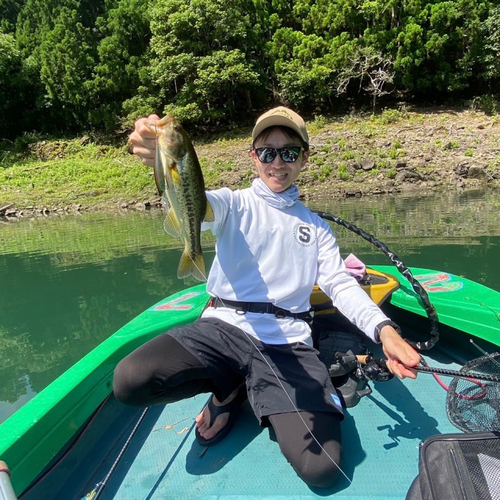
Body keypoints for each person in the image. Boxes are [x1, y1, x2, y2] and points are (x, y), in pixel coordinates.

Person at [114, 106, 421, 489]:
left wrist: (385, 331)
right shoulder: (232, 203)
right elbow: (198, 203)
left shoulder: (317, 228)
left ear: (304, 158)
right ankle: (229, 391)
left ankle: (242, 387)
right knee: (129, 381)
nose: (278, 162)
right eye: (267, 152)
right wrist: (153, 155)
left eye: (289, 152)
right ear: (254, 157)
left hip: (287, 344)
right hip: (223, 328)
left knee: (323, 468)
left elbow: (340, 286)